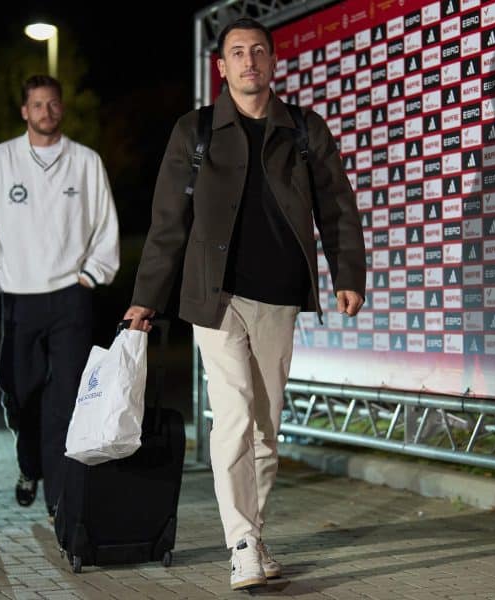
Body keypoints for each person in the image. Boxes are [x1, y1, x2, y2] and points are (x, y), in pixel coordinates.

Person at [123, 18, 366, 591]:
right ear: (222, 67)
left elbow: (337, 205)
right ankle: (241, 546)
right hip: (216, 298)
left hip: (279, 297)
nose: (249, 60)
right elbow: (167, 222)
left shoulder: (304, 130)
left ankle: (252, 535)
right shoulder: (196, 130)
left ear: (274, 61)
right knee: (231, 418)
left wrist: (346, 272)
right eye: (237, 52)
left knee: (264, 427)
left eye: (258, 50)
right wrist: (145, 300)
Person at [0, 74, 119, 521]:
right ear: (24, 111)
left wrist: (92, 274)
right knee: (17, 391)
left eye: (53, 105)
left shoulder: (86, 162)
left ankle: (60, 502)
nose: (46, 113)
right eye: (37, 106)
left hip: (72, 296)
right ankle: (29, 465)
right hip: (18, 296)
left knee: (65, 401)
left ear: (62, 109)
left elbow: (105, 224)